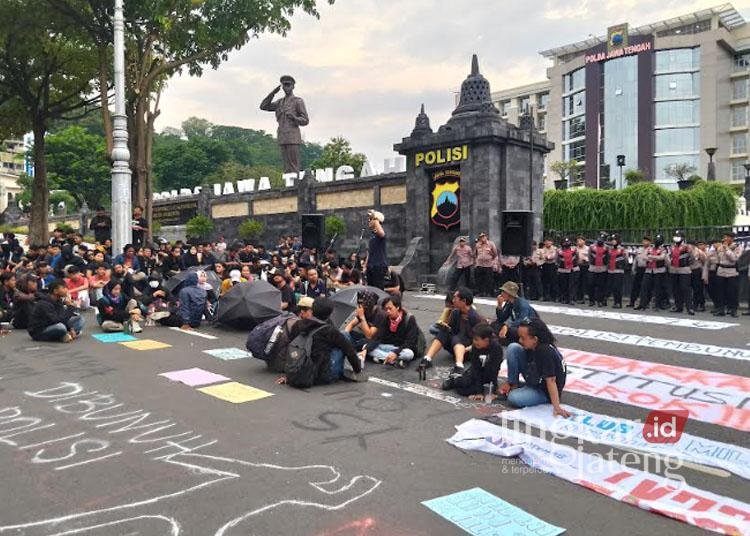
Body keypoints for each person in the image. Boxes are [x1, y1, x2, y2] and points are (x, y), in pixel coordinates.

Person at [278, 297, 365, 386]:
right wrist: (357, 369)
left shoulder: (297, 325)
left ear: (312, 309)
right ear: (330, 313)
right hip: (323, 375)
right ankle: (348, 369)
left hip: (300, 369)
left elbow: (291, 349)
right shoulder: (329, 330)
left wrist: (289, 375)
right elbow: (349, 351)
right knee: (344, 337)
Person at [497, 318, 569, 416]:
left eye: (523, 338)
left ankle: (527, 392)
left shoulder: (544, 351)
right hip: (535, 376)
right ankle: (513, 384)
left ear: (535, 339)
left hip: (544, 390)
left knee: (513, 398)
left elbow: (551, 380)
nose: (520, 340)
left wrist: (556, 407)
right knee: (513, 348)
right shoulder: (535, 343)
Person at [418, 287, 485, 374]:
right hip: (456, 346)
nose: (453, 300)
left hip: (469, 351)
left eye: (455, 298)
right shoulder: (455, 313)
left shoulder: (476, 318)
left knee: (458, 338)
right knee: (444, 331)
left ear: (464, 301)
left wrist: (467, 349)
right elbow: (450, 331)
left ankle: (459, 365)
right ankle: (427, 359)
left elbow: (483, 341)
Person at [259, 75, 309, 173]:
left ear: (293, 86)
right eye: (284, 85)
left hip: (293, 136)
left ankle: (295, 185)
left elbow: (305, 120)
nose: (286, 87)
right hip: (282, 135)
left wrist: (294, 118)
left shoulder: (298, 101)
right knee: (286, 167)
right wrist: (273, 93)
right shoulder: (279, 102)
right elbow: (263, 106)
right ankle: (289, 185)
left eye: (288, 85)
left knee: (294, 166)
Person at [441, 324, 503, 398]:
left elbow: (495, 370)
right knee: (464, 387)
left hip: (488, 373)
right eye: (473, 339)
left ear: (486, 340)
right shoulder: (475, 347)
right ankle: (454, 380)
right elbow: (476, 369)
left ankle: (480, 387)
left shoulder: (496, 349)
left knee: (483, 390)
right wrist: (479, 392)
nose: (474, 342)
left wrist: (494, 388)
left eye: (477, 339)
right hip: (476, 371)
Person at [362, 295, 420, 368]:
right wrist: (366, 350)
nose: (388, 311)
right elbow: (378, 338)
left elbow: (410, 342)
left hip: (402, 348)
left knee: (409, 354)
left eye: (390, 308)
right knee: (365, 347)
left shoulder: (409, 319)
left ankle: (383, 358)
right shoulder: (385, 318)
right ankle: (394, 361)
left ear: (397, 307)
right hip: (388, 347)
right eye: (386, 309)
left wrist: (396, 352)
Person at [714, 231, 742, 317]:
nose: (725, 239)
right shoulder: (720, 247)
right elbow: (718, 259)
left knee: (732, 292)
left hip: (731, 272)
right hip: (721, 271)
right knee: (720, 292)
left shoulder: (737, 247)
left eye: (727, 237)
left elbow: (734, 258)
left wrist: (727, 249)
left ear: (732, 238)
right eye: (724, 237)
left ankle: (733, 310)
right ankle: (720, 309)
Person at [637, 234, 668, 310]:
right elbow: (643, 256)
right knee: (644, 287)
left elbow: (662, 257)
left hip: (659, 271)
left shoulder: (663, 249)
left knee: (658, 288)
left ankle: (657, 305)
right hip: (649, 270)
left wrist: (652, 257)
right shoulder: (650, 248)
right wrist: (649, 258)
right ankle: (642, 304)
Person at [668, 230, 694, 315]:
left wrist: (688, 264)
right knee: (675, 288)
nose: (676, 238)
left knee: (685, 288)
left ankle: (689, 307)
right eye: (675, 236)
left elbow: (692, 257)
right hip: (674, 270)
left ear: (682, 237)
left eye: (678, 236)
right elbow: (669, 257)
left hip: (684, 270)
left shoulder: (687, 247)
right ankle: (678, 306)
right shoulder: (671, 247)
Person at [364, 209, 388, 290]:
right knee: (371, 290)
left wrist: (375, 218)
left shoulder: (380, 234)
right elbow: (370, 252)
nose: (369, 221)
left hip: (378, 266)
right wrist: (365, 265)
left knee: (378, 290)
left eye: (370, 219)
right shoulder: (372, 235)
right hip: (371, 266)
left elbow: (381, 233)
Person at [473, 232, 497, 297]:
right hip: (479, 264)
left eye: (483, 236)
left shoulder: (491, 244)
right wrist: (475, 262)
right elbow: (475, 254)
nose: (482, 238)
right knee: (479, 279)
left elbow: (495, 254)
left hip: (488, 265)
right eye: (481, 237)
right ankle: (480, 292)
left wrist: (494, 262)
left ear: (486, 237)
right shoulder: (477, 244)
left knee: (489, 279)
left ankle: (488, 292)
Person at [606, 233, 627, 309]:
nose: (613, 241)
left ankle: (618, 302)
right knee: (612, 287)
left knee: (617, 287)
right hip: (611, 270)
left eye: (614, 240)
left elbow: (625, 259)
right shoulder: (610, 249)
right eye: (612, 240)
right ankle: (615, 301)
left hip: (618, 270)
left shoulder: (622, 249)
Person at [628, 236, 650, 308]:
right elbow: (635, 260)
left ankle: (645, 302)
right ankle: (632, 301)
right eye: (644, 241)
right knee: (635, 286)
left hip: (646, 269)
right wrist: (633, 268)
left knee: (645, 287)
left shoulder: (650, 250)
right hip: (639, 268)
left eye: (646, 241)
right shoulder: (639, 249)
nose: (644, 242)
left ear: (650, 242)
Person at [588, 232, 608, 307]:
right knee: (591, 285)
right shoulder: (592, 246)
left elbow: (608, 257)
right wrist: (591, 264)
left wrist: (605, 265)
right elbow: (589, 256)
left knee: (601, 286)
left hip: (602, 269)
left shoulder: (606, 247)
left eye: (602, 238)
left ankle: (600, 300)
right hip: (593, 268)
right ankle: (591, 300)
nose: (600, 240)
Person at [555, 237, 578, 305]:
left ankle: (571, 299)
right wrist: (558, 267)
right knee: (563, 285)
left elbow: (577, 258)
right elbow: (557, 260)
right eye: (565, 243)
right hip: (562, 269)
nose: (566, 244)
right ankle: (564, 298)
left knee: (571, 285)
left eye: (567, 243)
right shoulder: (559, 251)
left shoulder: (574, 250)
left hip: (572, 269)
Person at [691, 240, 708, 313]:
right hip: (690, 270)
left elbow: (705, 261)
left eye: (702, 244)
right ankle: (695, 304)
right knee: (694, 289)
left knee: (698, 289)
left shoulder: (699, 252)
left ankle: (700, 304)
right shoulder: (688, 251)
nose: (700, 246)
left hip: (698, 270)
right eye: (699, 244)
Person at [574, 236, 589, 304]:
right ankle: (576, 296)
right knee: (576, 281)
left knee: (583, 282)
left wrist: (585, 259)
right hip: (577, 266)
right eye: (577, 241)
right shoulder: (575, 249)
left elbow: (590, 257)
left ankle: (582, 297)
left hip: (585, 266)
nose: (579, 242)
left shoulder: (588, 249)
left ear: (584, 241)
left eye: (580, 240)